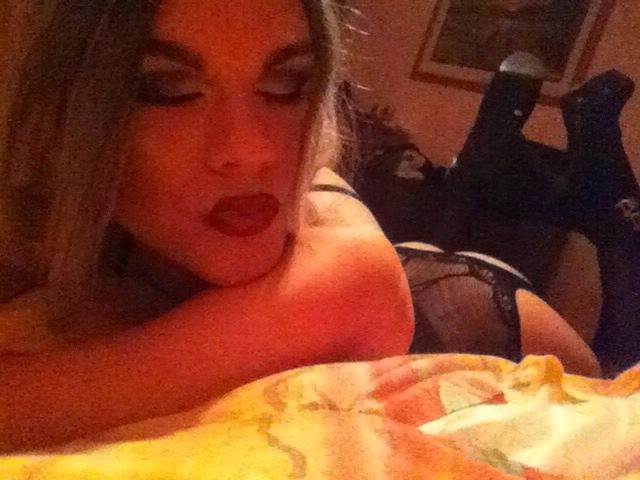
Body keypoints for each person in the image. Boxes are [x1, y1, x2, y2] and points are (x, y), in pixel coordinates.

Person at [0, 0, 596, 453]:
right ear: (63, 114)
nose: (252, 152)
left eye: (287, 86)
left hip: (471, 311)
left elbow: (365, 286)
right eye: (167, 89)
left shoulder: (378, 281)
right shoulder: (34, 242)